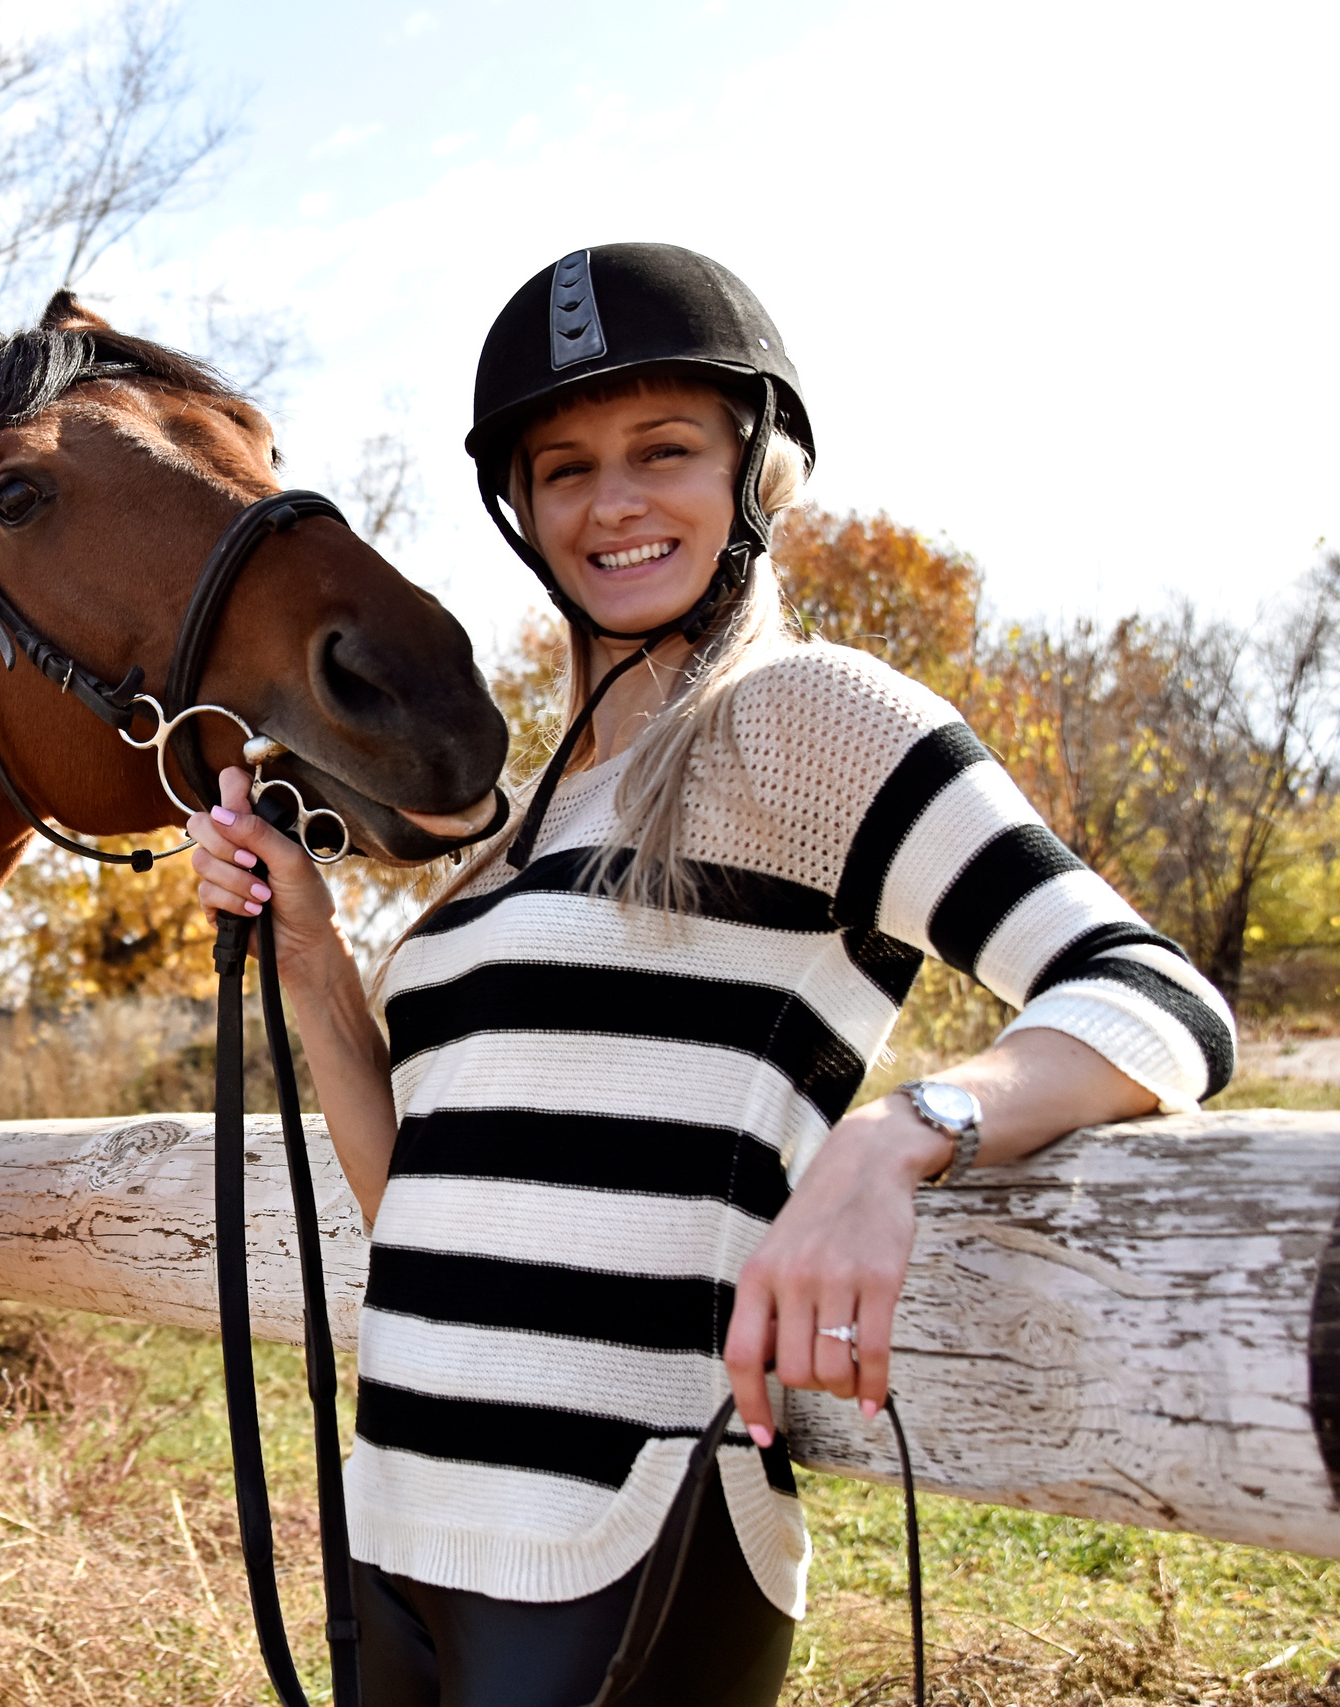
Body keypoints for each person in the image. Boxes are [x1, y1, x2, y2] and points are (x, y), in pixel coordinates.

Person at [187, 242, 1235, 1707]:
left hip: (624, 1537)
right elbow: (416, 1205)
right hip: (403, 1530)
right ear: (524, 509)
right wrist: (310, 958)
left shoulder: (811, 720)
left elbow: (1154, 994)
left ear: (756, 467)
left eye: (663, 449)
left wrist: (901, 1135)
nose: (613, 502)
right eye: (566, 470)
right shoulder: (524, 816)